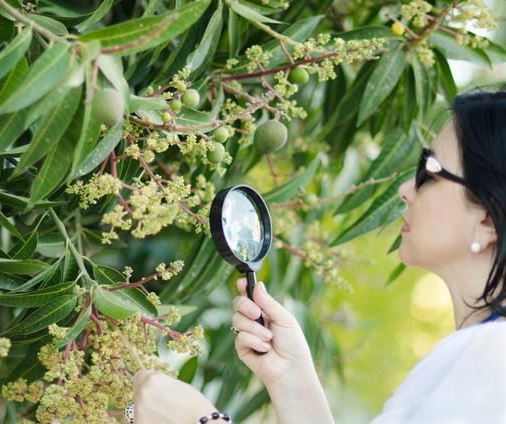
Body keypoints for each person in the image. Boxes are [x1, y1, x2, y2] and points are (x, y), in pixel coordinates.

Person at [132, 89, 506, 423]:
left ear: (488, 218)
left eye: (429, 171)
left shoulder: (491, 358)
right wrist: (293, 382)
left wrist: (201, 420)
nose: (406, 189)